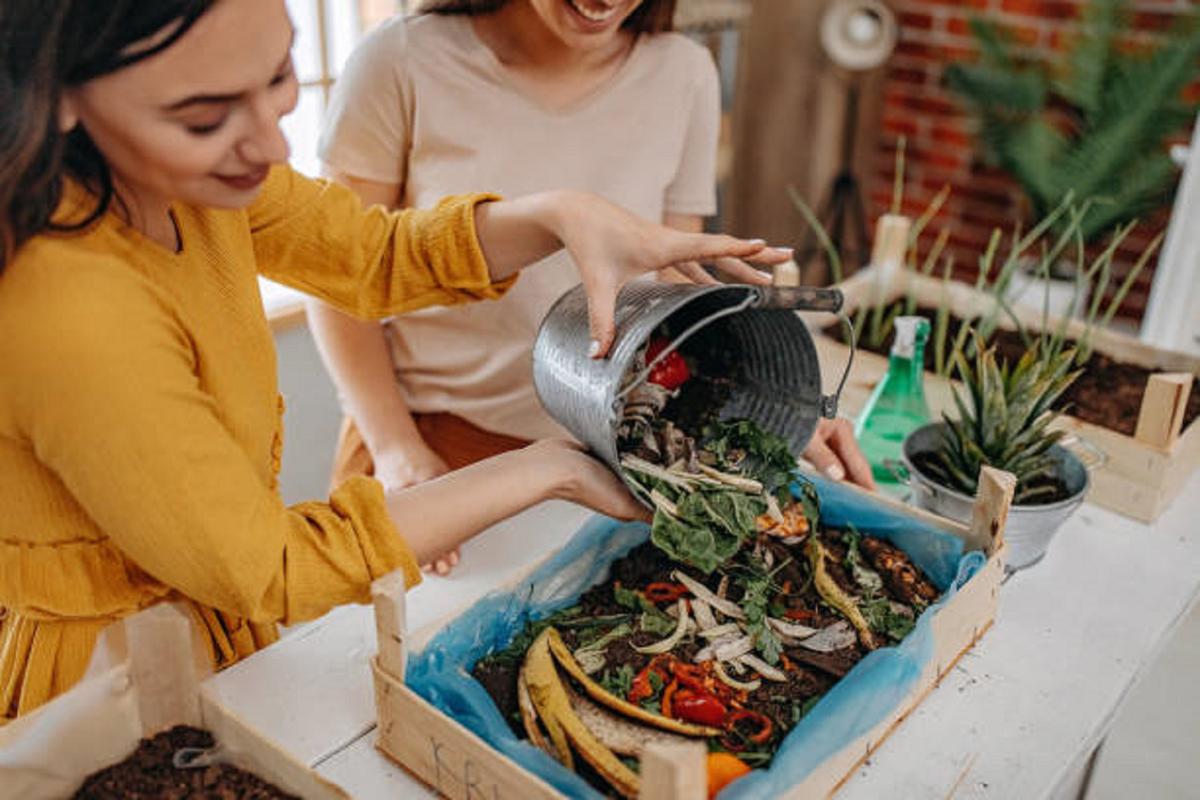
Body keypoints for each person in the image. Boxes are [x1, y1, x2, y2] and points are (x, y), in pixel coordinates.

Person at [0, 0, 787, 720]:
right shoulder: (68, 313)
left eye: (278, 79)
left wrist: (561, 214)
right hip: (104, 682)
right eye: (204, 118)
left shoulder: (180, 183)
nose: (273, 145)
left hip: (222, 633)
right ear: (58, 93)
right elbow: (269, 566)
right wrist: (553, 467)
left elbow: (370, 253)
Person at [311, 0, 874, 574]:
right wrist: (396, 449)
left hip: (605, 450)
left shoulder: (682, 73)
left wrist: (767, 401)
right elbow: (335, 279)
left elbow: (673, 294)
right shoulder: (401, 60)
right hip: (433, 446)